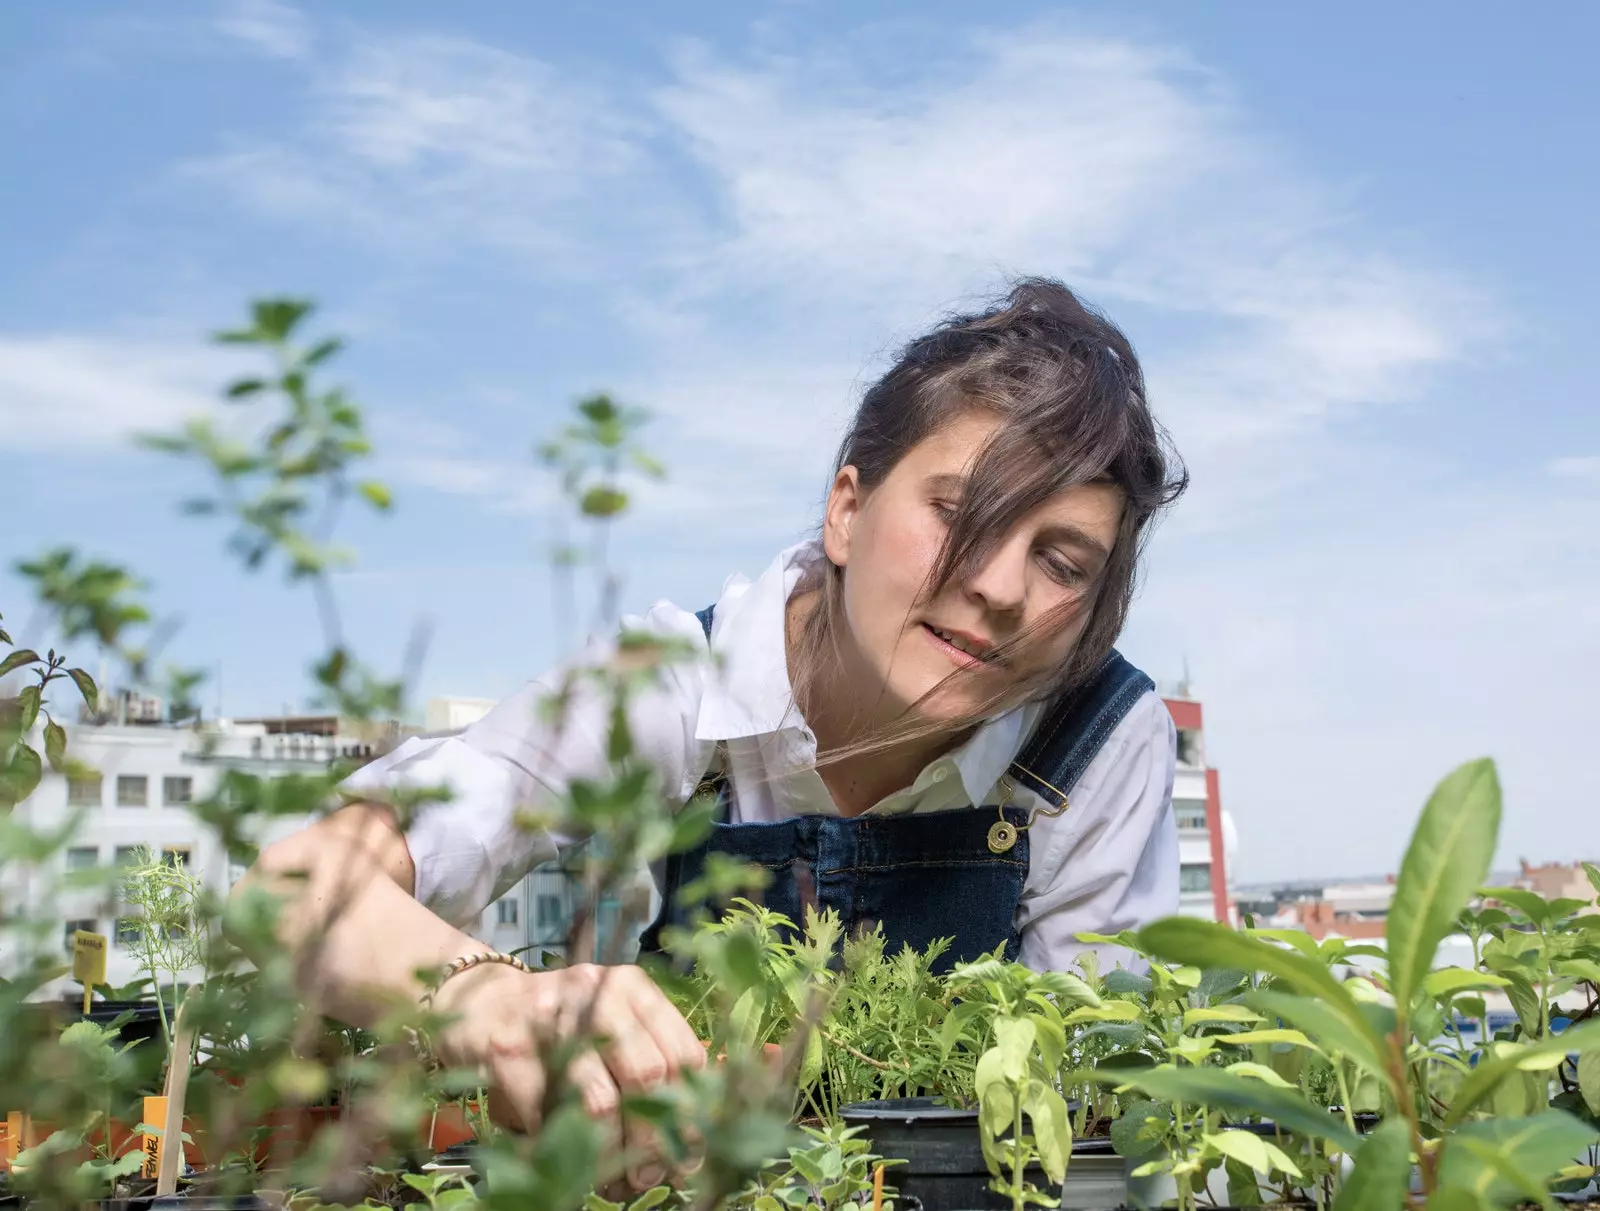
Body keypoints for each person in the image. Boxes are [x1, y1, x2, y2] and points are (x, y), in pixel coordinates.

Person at [233, 277, 1187, 1189]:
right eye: (959, 513)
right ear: (847, 510)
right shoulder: (675, 687)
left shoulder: (1097, 740)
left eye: (1061, 562)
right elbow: (293, 891)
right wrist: (484, 998)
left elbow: (1090, 1098)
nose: (1001, 587)